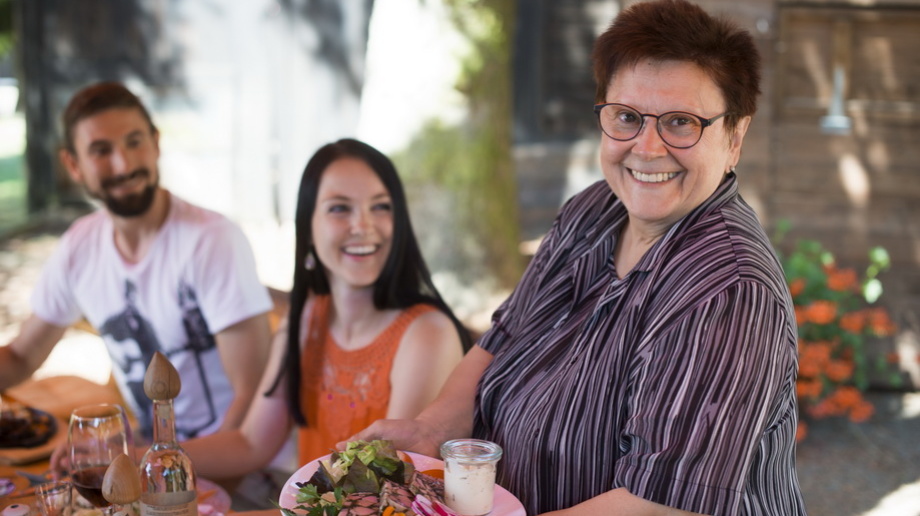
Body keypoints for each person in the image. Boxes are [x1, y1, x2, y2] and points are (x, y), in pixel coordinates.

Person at [348, 1, 807, 514]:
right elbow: (503, 338)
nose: (647, 147)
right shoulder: (594, 209)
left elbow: (659, 503)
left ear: (734, 137)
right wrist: (431, 430)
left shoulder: (728, 291)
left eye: (681, 122)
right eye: (627, 117)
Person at [179, 138, 469, 492]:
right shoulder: (305, 319)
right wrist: (146, 457)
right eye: (340, 208)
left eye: (380, 206)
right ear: (308, 228)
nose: (362, 225)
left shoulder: (428, 334)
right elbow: (251, 444)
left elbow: (387, 486)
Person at [0, 82, 273, 445]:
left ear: (156, 143)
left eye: (134, 142)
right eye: (101, 150)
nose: (124, 164)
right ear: (73, 165)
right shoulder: (80, 246)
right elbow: (21, 356)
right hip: (154, 459)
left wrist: (161, 468)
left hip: (237, 468)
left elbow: (251, 398)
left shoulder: (211, 240)